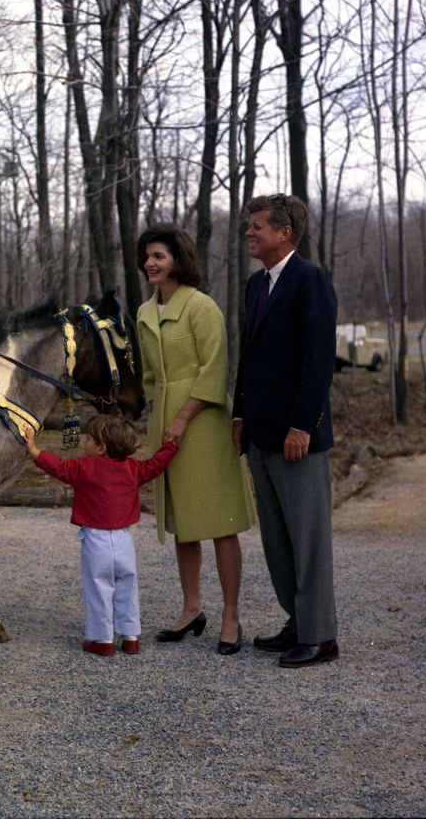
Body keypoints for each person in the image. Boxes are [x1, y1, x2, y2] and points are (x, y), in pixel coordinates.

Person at [135, 224, 257, 655]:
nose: (151, 263)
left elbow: (215, 370)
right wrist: (157, 418)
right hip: (165, 423)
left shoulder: (201, 307)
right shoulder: (145, 312)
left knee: (220, 522)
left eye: (160, 256)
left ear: (178, 260)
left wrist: (184, 418)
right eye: (148, 256)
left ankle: (230, 616)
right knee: (183, 523)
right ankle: (191, 608)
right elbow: (150, 377)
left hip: (203, 423)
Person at [232, 193, 340, 668]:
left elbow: (318, 363)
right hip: (259, 433)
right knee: (277, 538)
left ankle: (321, 637)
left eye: (257, 226)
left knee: (308, 537)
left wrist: (303, 426)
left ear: (284, 232)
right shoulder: (256, 285)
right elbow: (249, 359)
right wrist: (239, 416)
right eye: (249, 226)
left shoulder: (309, 280)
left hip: (298, 437)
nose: (250, 233)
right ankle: (297, 623)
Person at [22, 416, 178, 657]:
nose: (85, 441)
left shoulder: (84, 467)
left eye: (89, 439)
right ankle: (131, 636)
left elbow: (58, 467)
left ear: (101, 447)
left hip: (96, 540)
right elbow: (156, 464)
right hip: (124, 540)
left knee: (99, 588)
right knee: (127, 586)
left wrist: (33, 449)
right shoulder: (134, 469)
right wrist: (171, 446)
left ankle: (102, 639)